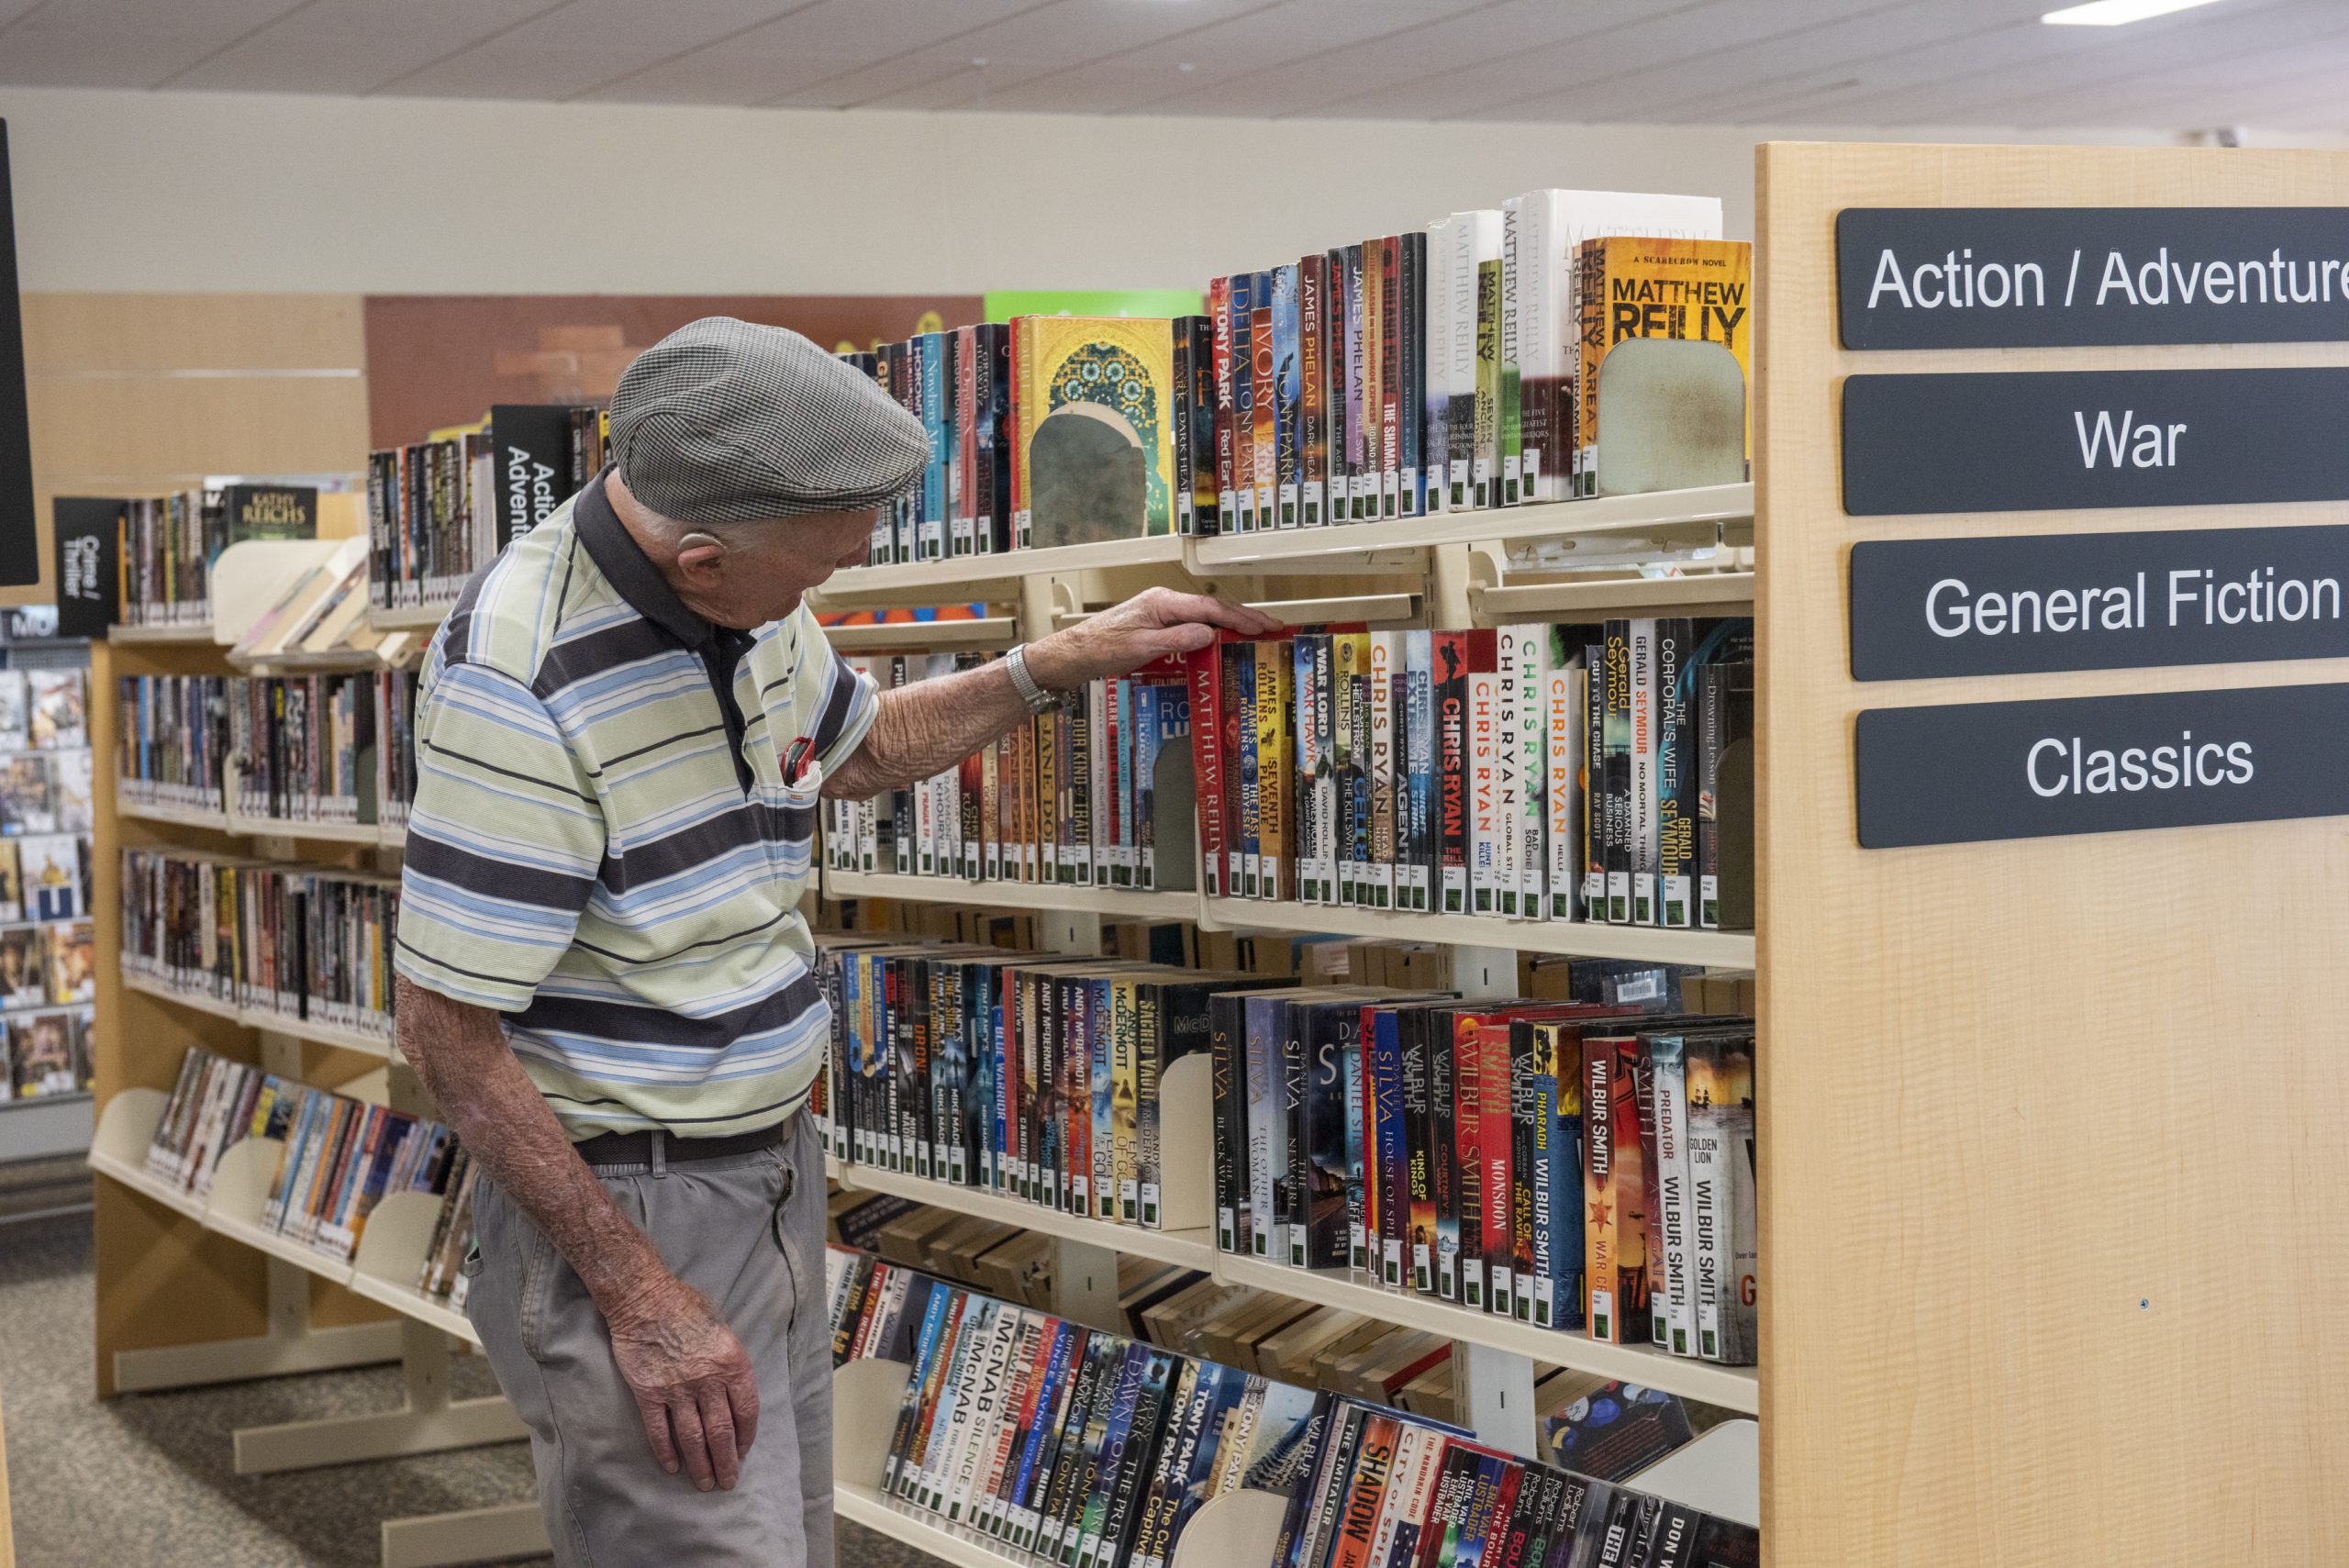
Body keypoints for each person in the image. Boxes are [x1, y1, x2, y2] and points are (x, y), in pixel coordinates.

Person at [391, 316, 1279, 1568]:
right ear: (700, 556)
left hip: (771, 1171)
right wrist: (641, 1297)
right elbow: (446, 1034)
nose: (827, 586)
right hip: (631, 1203)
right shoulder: (519, 676)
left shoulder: (746, 608)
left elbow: (851, 748)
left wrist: (1056, 662)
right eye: (816, 569)